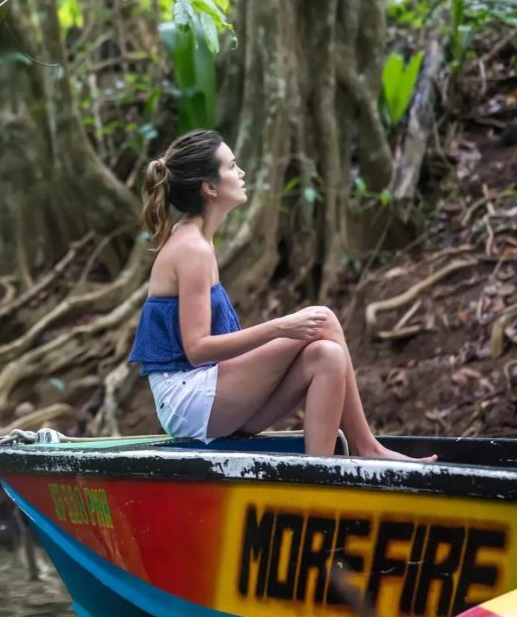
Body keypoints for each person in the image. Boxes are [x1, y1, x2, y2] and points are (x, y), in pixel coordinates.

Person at [128, 129, 435, 460]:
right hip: (187, 400)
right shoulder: (192, 249)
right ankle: (367, 447)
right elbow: (197, 349)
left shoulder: (198, 239)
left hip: (210, 396)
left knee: (327, 357)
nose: (241, 173)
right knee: (324, 320)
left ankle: (319, 474)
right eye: (231, 166)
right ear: (210, 187)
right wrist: (281, 328)